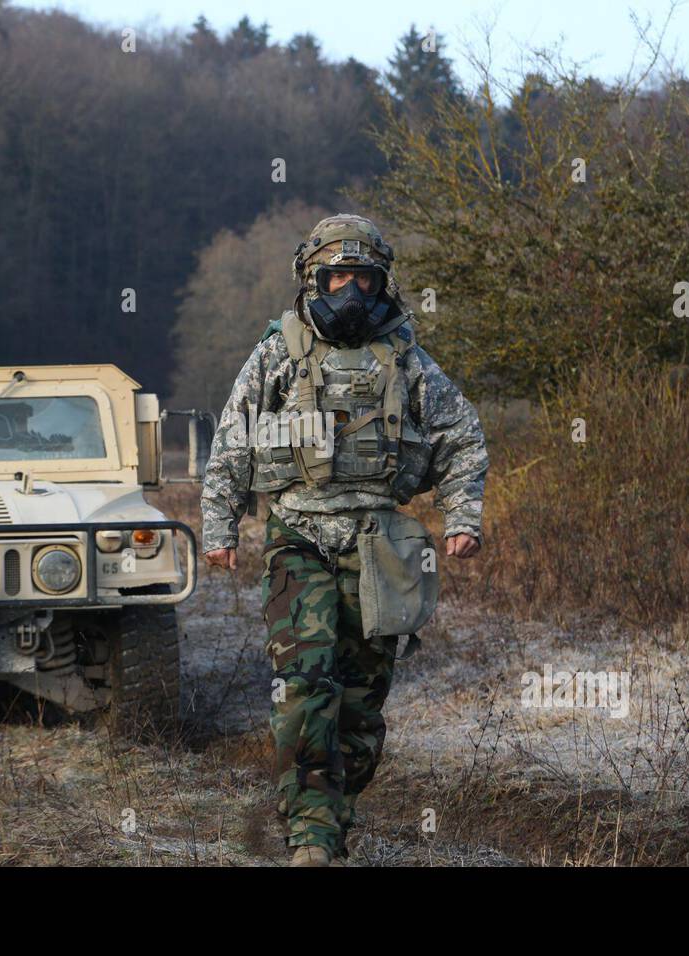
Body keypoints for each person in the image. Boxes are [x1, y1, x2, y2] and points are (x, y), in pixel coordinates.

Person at [199, 214, 489, 866]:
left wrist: (462, 518)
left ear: (381, 281)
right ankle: (311, 837)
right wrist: (219, 528)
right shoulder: (279, 350)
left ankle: (335, 814)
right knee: (306, 685)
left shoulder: (407, 359)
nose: (351, 289)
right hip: (298, 536)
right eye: (338, 275)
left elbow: (462, 439)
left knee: (360, 707)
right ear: (314, 278)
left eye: (363, 276)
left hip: (380, 545)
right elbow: (233, 440)